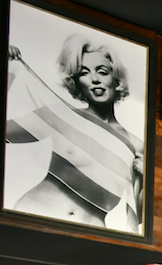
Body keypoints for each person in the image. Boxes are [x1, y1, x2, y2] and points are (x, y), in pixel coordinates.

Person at [7, 36, 143, 233]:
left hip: (86, 238)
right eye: (84, 73)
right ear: (77, 82)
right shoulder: (61, 117)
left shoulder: (135, 146)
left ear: (116, 80)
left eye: (102, 72)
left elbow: (139, 216)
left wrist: (148, 179)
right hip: (35, 219)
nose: (94, 79)